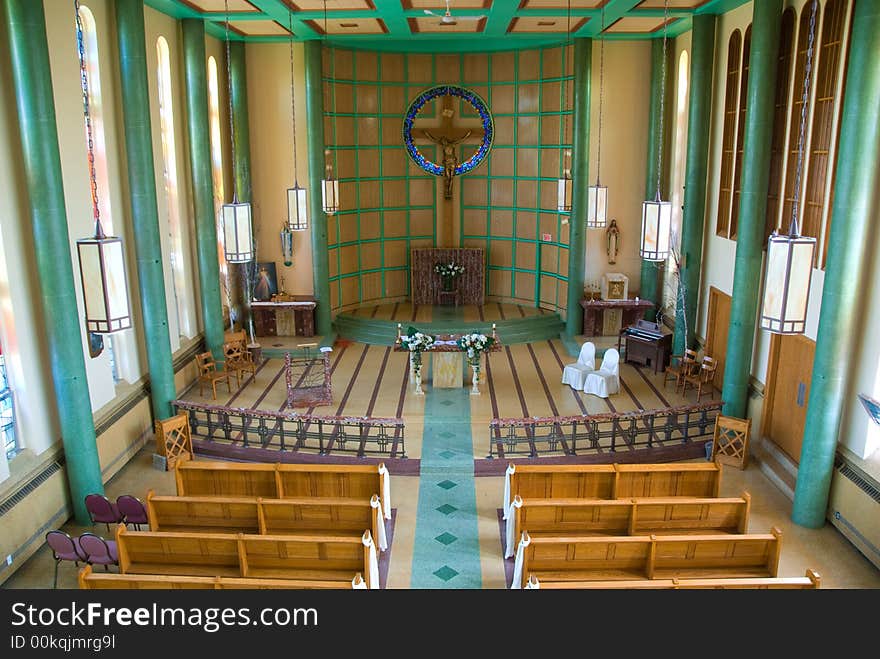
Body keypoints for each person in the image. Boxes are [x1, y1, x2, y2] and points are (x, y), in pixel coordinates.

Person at [424, 129, 472, 199]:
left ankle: (450, 191)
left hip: (452, 162)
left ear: (446, 140)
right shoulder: (443, 146)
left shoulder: (452, 144)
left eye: (444, 141)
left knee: (451, 177)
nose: (443, 142)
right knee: (447, 177)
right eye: (442, 142)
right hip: (446, 163)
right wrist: (427, 135)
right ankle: (447, 192)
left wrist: (467, 135)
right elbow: (434, 140)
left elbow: (461, 140)